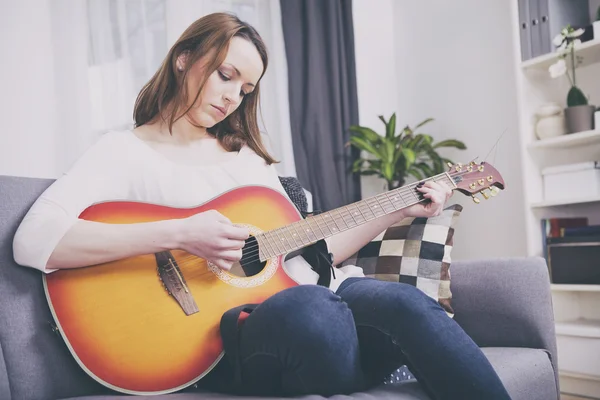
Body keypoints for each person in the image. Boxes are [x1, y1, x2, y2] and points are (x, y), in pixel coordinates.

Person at [12, 12, 510, 400]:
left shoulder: (246, 160)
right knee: (316, 309)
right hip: (239, 336)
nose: (233, 97)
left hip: (322, 311)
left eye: (246, 88)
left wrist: (401, 209)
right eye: (226, 75)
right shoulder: (122, 151)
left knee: (402, 302)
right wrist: (179, 234)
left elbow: (311, 255)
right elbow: (34, 240)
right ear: (183, 57)